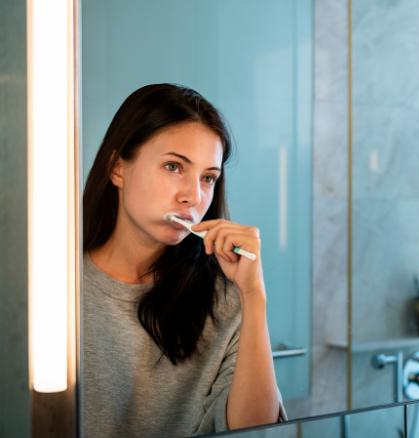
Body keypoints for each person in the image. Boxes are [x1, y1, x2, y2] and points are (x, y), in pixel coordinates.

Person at [81, 83, 285, 437]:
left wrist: (254, 297)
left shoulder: (225, 299)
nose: (193, 196)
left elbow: (254, 431)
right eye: (174, 167)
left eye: (208, 178)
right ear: (117, 169)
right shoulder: (52, 289)